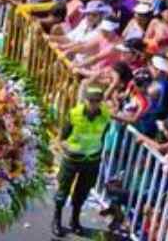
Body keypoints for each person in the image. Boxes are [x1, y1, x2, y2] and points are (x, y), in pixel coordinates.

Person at [53, 85, 111, 237]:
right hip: (72, 159)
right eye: (91, 100)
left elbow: (104, 135)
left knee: (82, 193)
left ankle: (75, 220)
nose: (94, 104)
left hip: (92, 161)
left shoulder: (106, 115)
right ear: (85, 100)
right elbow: (63, 137)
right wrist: (66, 147)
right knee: (62, 192)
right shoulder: (74, 114)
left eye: (97, 101)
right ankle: (57, 220)